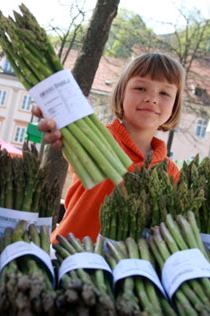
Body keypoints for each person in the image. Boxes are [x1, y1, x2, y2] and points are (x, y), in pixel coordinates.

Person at [33, 52, 185, 242]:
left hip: (123, 268)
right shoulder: (95, 136)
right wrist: (59, 120)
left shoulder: (171, 172)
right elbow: (67, 133)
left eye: (164, 93)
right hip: (69, 255)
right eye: (140, 88)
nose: (152, 98)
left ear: (175, 106)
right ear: (121, 94)